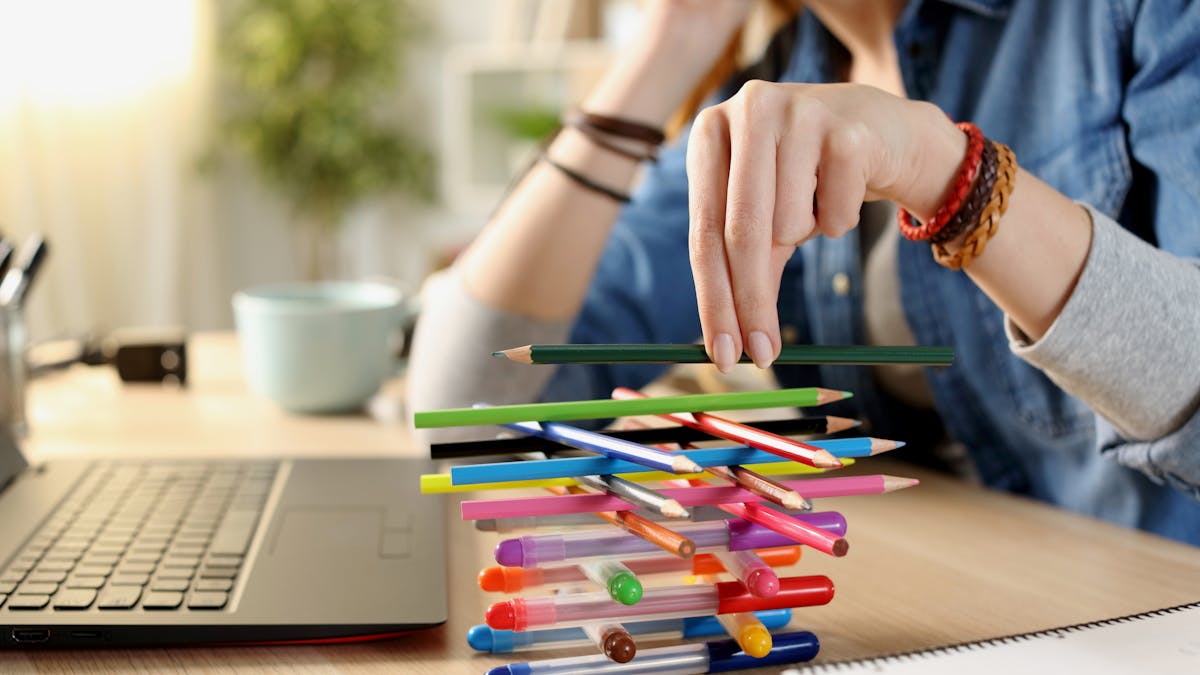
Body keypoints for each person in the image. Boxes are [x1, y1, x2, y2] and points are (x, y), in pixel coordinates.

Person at [408, 0, 1200, 545]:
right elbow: (467, 419)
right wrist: (666, 47)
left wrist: (942, 169)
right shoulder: (763, 100)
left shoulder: (1120, 18)